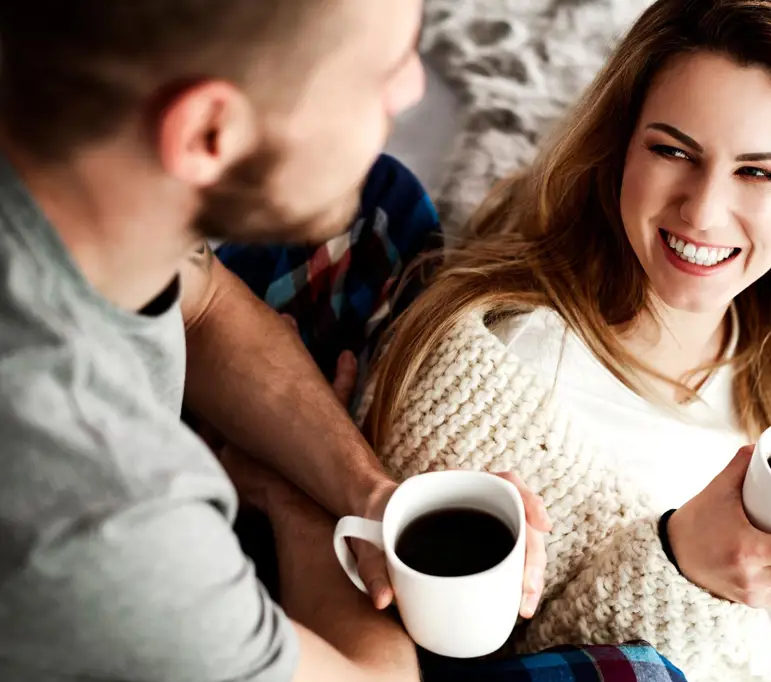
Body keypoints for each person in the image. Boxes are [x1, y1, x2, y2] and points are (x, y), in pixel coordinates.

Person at [359, 0, 771, 679]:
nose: (705, 211)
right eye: (672, 151)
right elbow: (511, 665)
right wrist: (683, 566)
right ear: (618, 147)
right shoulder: (498, 389)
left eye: (758, 172)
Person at [0, 1, 551, 680]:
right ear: (207, 131)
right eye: (381, 69)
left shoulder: (67, 156)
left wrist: (373, 499)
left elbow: (199, 307)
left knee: (380, 201)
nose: (414, 88)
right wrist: (300, 513)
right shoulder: (106, 512)